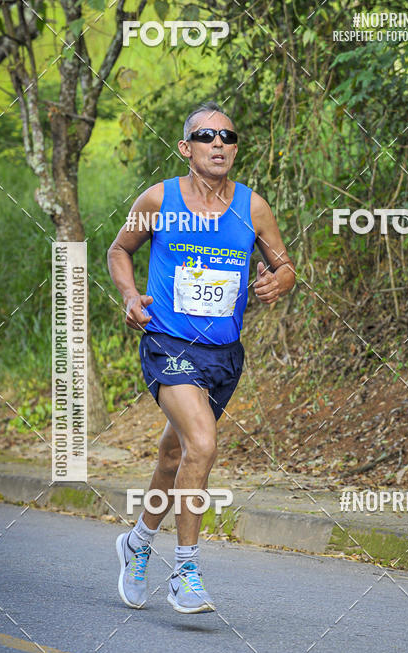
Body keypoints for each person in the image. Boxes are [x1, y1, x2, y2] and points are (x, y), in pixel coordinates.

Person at [107, 101, 295, 614]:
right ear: (186, 148)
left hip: (223, 357)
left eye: (228, 137)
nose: (219, 144)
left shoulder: (252, 207)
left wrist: (278, 280)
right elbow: (118, 250)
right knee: (204, 445)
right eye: (207, 136)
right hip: (168, 344)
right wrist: (129, 297)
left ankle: (137, 543)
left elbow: (285, 266)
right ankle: (185, 570)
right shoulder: (159, 198)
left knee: (176, 456)